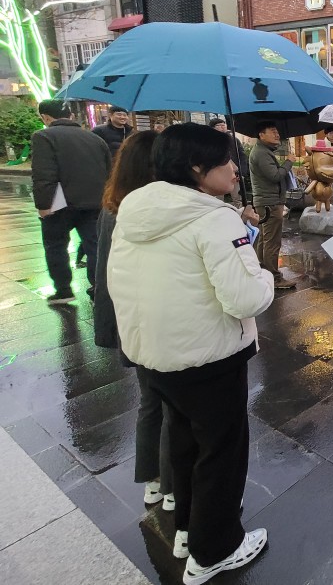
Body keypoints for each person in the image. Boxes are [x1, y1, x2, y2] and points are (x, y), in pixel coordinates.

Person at [108, 123, 274, 585]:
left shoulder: (134, 209)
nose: (236, 171)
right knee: (221, 452)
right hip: (209, 356)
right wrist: (262, 275)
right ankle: (214, 550)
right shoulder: (213, 218)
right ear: (199, 169)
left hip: (154, 355)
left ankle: (186, 529)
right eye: (228, 162)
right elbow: (244, 299)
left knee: (182, 444)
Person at [93, 131, 174, 512]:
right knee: (174, 407)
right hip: (159, 322)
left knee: (149, 403)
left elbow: (102, 273)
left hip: (130, 323)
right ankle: (174, 486)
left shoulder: (112, 208)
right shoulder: (156, 212)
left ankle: (154, 482)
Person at [31, 99, 111, 304]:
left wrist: (43, 205)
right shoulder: (95, 139)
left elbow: (43, 174)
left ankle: (63, 290)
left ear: (45, 117)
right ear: (72, 116)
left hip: (60, 204)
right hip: (94, 202)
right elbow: (108, 170)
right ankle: (97, 289)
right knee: (96, 247)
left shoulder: (44, 136)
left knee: (56, 246)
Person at [249, 121, 295, 289]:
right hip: (270, 203)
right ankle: (274, 278)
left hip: (267, 202)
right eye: (273, 131)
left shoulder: (264, 151)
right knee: (272, 241)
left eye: (277, 131)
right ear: (261, 135)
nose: (277, 135)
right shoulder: (261, 153)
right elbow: (275, 176)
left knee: (265, 238)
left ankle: (263, 270)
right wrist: (289, 162)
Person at [211, 117, 251, 205]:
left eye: (223, 124)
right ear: (212, 128)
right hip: (218, 175)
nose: (222, 126)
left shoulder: (234, 140)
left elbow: (242, 156)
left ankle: (241, 216)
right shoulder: (210, 142)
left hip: (235, 173)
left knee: (238, 198)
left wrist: (242, 173)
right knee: (218, 200)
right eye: (219, 125)